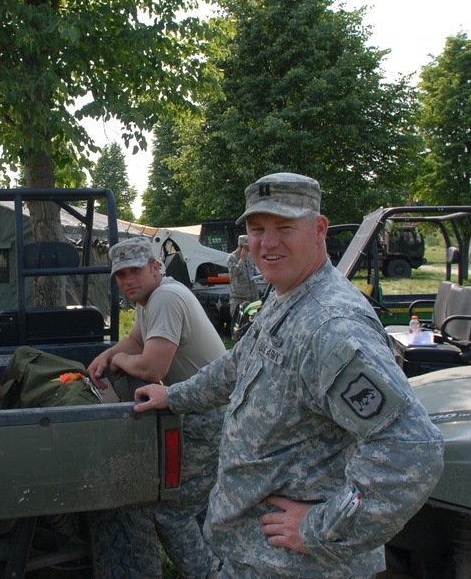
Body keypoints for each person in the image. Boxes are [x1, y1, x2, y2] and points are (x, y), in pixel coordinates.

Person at [134, 172, 444, 579]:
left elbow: (412, 449)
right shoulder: (288, 297)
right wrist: (172, 397)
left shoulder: (330, 326)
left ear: (319, 229)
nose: (268, 242)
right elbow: (235, 365)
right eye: (257, 229)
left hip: (298, 565)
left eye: (284, 228)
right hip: (254, 556)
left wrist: (322, 528)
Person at [88, 237, 226, 579]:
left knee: (171, 513)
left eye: (135, 271)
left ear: (154, 268)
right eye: (120, 275)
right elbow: (136, 340)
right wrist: (108, 355)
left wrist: (119, 359)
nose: (127, 280)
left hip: (211, 415)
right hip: (203, 406)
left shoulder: (165, 298)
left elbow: (152, 369)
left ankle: (211, 573)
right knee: (200, 504)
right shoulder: (152, 297)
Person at [226, 234, 259, 318]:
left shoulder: (250, 255)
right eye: (247, 247)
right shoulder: (231, 257)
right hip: (239, 297)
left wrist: (259, 274)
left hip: (253, 296)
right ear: (241, 246)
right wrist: (242, 260)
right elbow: (234, 272)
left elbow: (253, 270)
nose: (249, 249)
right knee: (239, 321)